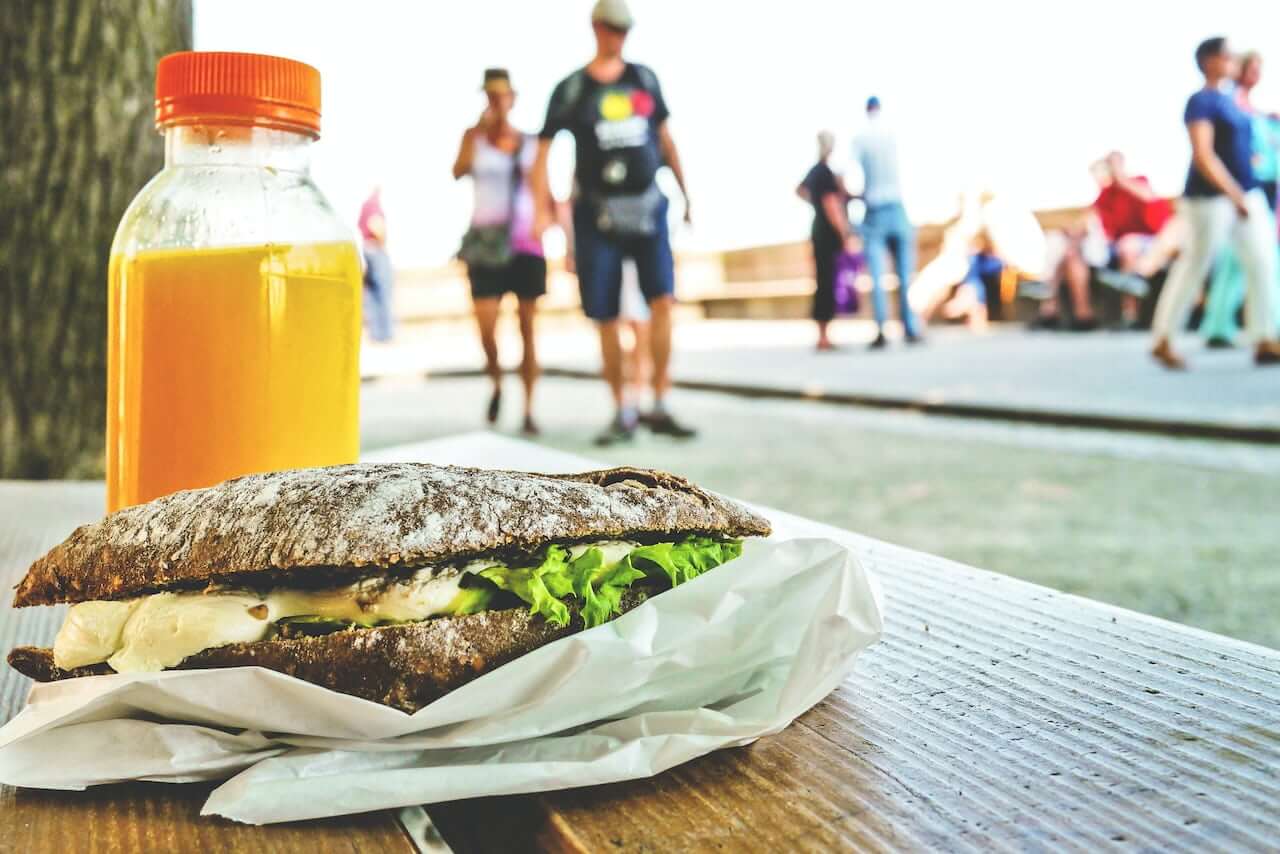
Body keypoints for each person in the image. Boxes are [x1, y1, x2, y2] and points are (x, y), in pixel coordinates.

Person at [529, 0, 696, 445]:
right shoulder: (572, 89)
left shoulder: (644, 80)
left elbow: (666, 140)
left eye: (625, 30)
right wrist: (544, 209)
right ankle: (622, 409)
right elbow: (542, 154)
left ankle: (658, 401)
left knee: (663, 301)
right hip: (596, 214)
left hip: (646, 206)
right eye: (612, 29)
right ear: (596, 28)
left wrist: (685, 193)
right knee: (604, 314)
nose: (618, 37)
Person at [1150, 37, 1280, 369]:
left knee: (1262, 262)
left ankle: (1265, 336)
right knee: (1196, 262)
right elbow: (1204, 155)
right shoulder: (1201, 101)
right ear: (1210, 59)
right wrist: (1235, 193)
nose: (1233, 60)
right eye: (1228, 55)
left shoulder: (1230, 102)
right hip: (1212, 199)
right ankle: (1163, 337)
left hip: (1245, 195)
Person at [453, 68, 547, 435]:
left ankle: (528, 408)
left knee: (528, 329)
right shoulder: (472, 138)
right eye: (490, 96)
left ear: (513, 98)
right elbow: (457, 170)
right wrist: (479, 129)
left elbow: (543, 189)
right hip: (485, 241)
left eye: (501, 96)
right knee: (487, 328)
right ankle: (495, 381)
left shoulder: (531, 142)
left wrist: (551, 226)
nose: (496, 102)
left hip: (525, 242)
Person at [1200, 50, 1280, 347]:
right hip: (1245, 188)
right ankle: (1263, 330)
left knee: (1244, 260)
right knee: (1260, 260)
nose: (1256, 73)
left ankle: (1221, 326)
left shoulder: (1252, 109)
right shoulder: (1228, 103)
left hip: (1263, 187)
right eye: (1252, 67)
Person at [851, 96, 921, 349]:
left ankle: (882, 329)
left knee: (878, 277)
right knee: (904, 274)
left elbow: (852, 177)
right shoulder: (893, 133)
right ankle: (910, 328)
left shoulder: (860, 138)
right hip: (898, 206)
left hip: (875, 209)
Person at [1089, 152, 1183, 326]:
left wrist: (1120, 177)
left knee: (1129, 245)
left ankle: (1133, 297)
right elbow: (1105, 230)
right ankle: (1131, 309)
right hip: (1122, 246)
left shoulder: (1138, 181)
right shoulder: (1105, 196)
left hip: (1153, 240)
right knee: (1127, 246)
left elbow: (1149, 198)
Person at [796, 131, 857, 351]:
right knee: (827, 284)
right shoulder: (826, 172)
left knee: (822, 282)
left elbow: (800, 191)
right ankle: (824, 337)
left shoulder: (814, 171)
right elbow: (832, 205)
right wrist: (844, 233)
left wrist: (814, 203)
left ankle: (822, 335)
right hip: (828, 234)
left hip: (817, 230)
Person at [358, 186, 394, 343]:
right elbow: (375, 224)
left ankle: (376, 333)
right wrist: (383, 244)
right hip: (375, 248)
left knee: (372, 293)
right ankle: (385, 334)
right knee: (383, 291)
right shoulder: (374, 204)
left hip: (367, 248)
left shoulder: (365, 204)